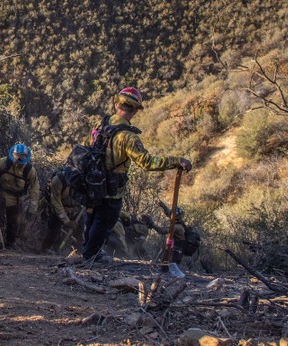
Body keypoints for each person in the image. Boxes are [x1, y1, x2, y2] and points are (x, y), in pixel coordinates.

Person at [80, 87, 192, 263]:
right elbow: (147, 162)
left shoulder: (101, 125)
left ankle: (88, 251)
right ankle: (90, 256)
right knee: (104, 221)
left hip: (92, 181)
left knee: (91, 215)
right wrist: (176, 161)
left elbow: (86, 146)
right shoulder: (128, 137)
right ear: (134, 110)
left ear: (117, 104)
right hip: (112, 188)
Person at [0, 143, 40, 250]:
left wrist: (32, 208)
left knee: (14, 221)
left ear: (26, 157)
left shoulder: (30, 170)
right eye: (17, 155)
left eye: (22, 156)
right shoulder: (3, 162)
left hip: (16, 198)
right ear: (12, 155)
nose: (19, 159)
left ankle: (11, 242)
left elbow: (35, 189)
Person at [42, 166, 84, 253]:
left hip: (76, 210)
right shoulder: (58, 180)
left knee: (80, 232)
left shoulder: (84, 179)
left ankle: (80, 252)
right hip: (60, 209)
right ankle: (46, 250)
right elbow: (56, 203)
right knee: (54, 232)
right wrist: (66, 221)